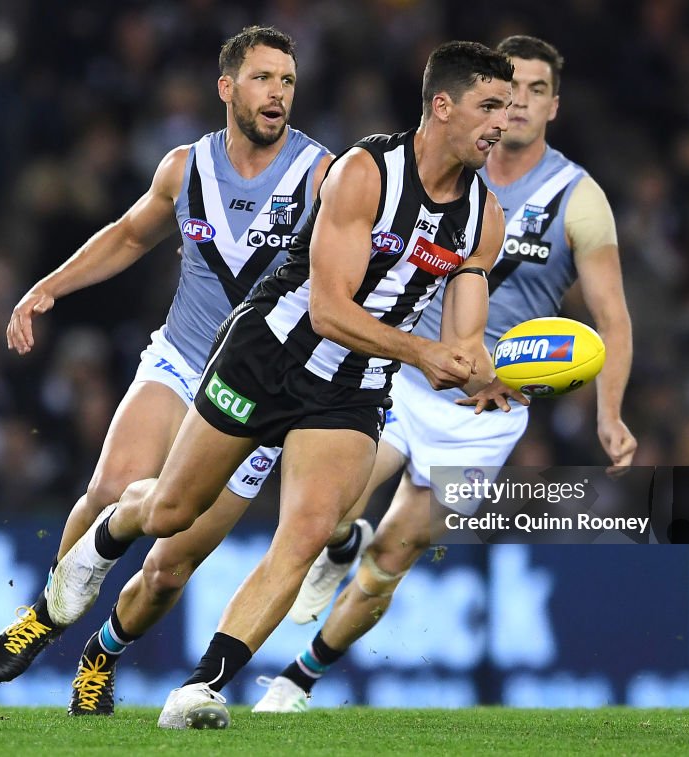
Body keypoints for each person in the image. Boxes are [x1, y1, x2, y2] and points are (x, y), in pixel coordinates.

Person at [44, 40, 522, 729]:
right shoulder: (364, 173)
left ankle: (201, 687)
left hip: (353, 385)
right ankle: (107, 535)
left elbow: (467, 332)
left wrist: (486, 373)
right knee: (173, 511)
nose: (500, 125)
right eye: (489, 107)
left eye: (507, 110)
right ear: (442, 106)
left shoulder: (485, 217)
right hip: (266, 354)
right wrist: (424, 352)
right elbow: (329, 310)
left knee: (306, 534)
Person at [253, 34, 637, 713]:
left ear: (554, 106)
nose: (517, 103)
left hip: (490, 415)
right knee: (330, 506)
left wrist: (609, 413)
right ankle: (339, 540)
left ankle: (298, 680)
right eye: (507, 88)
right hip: (412, 372)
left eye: (536, 90)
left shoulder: (578, 200)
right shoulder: (447, 173)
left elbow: (612, 319)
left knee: (392, 560)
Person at [0, 26, 334, 716]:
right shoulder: (185, 166)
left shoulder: (323, 176)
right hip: (182, 357)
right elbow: (130, 234)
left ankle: (100, 655)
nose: (278, 93)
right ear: (227, 88)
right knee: (112, 487)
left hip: (261, 394)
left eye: (287, 81)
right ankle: (49, 613)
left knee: (170, 565)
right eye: (263, 78)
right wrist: (50, 285)